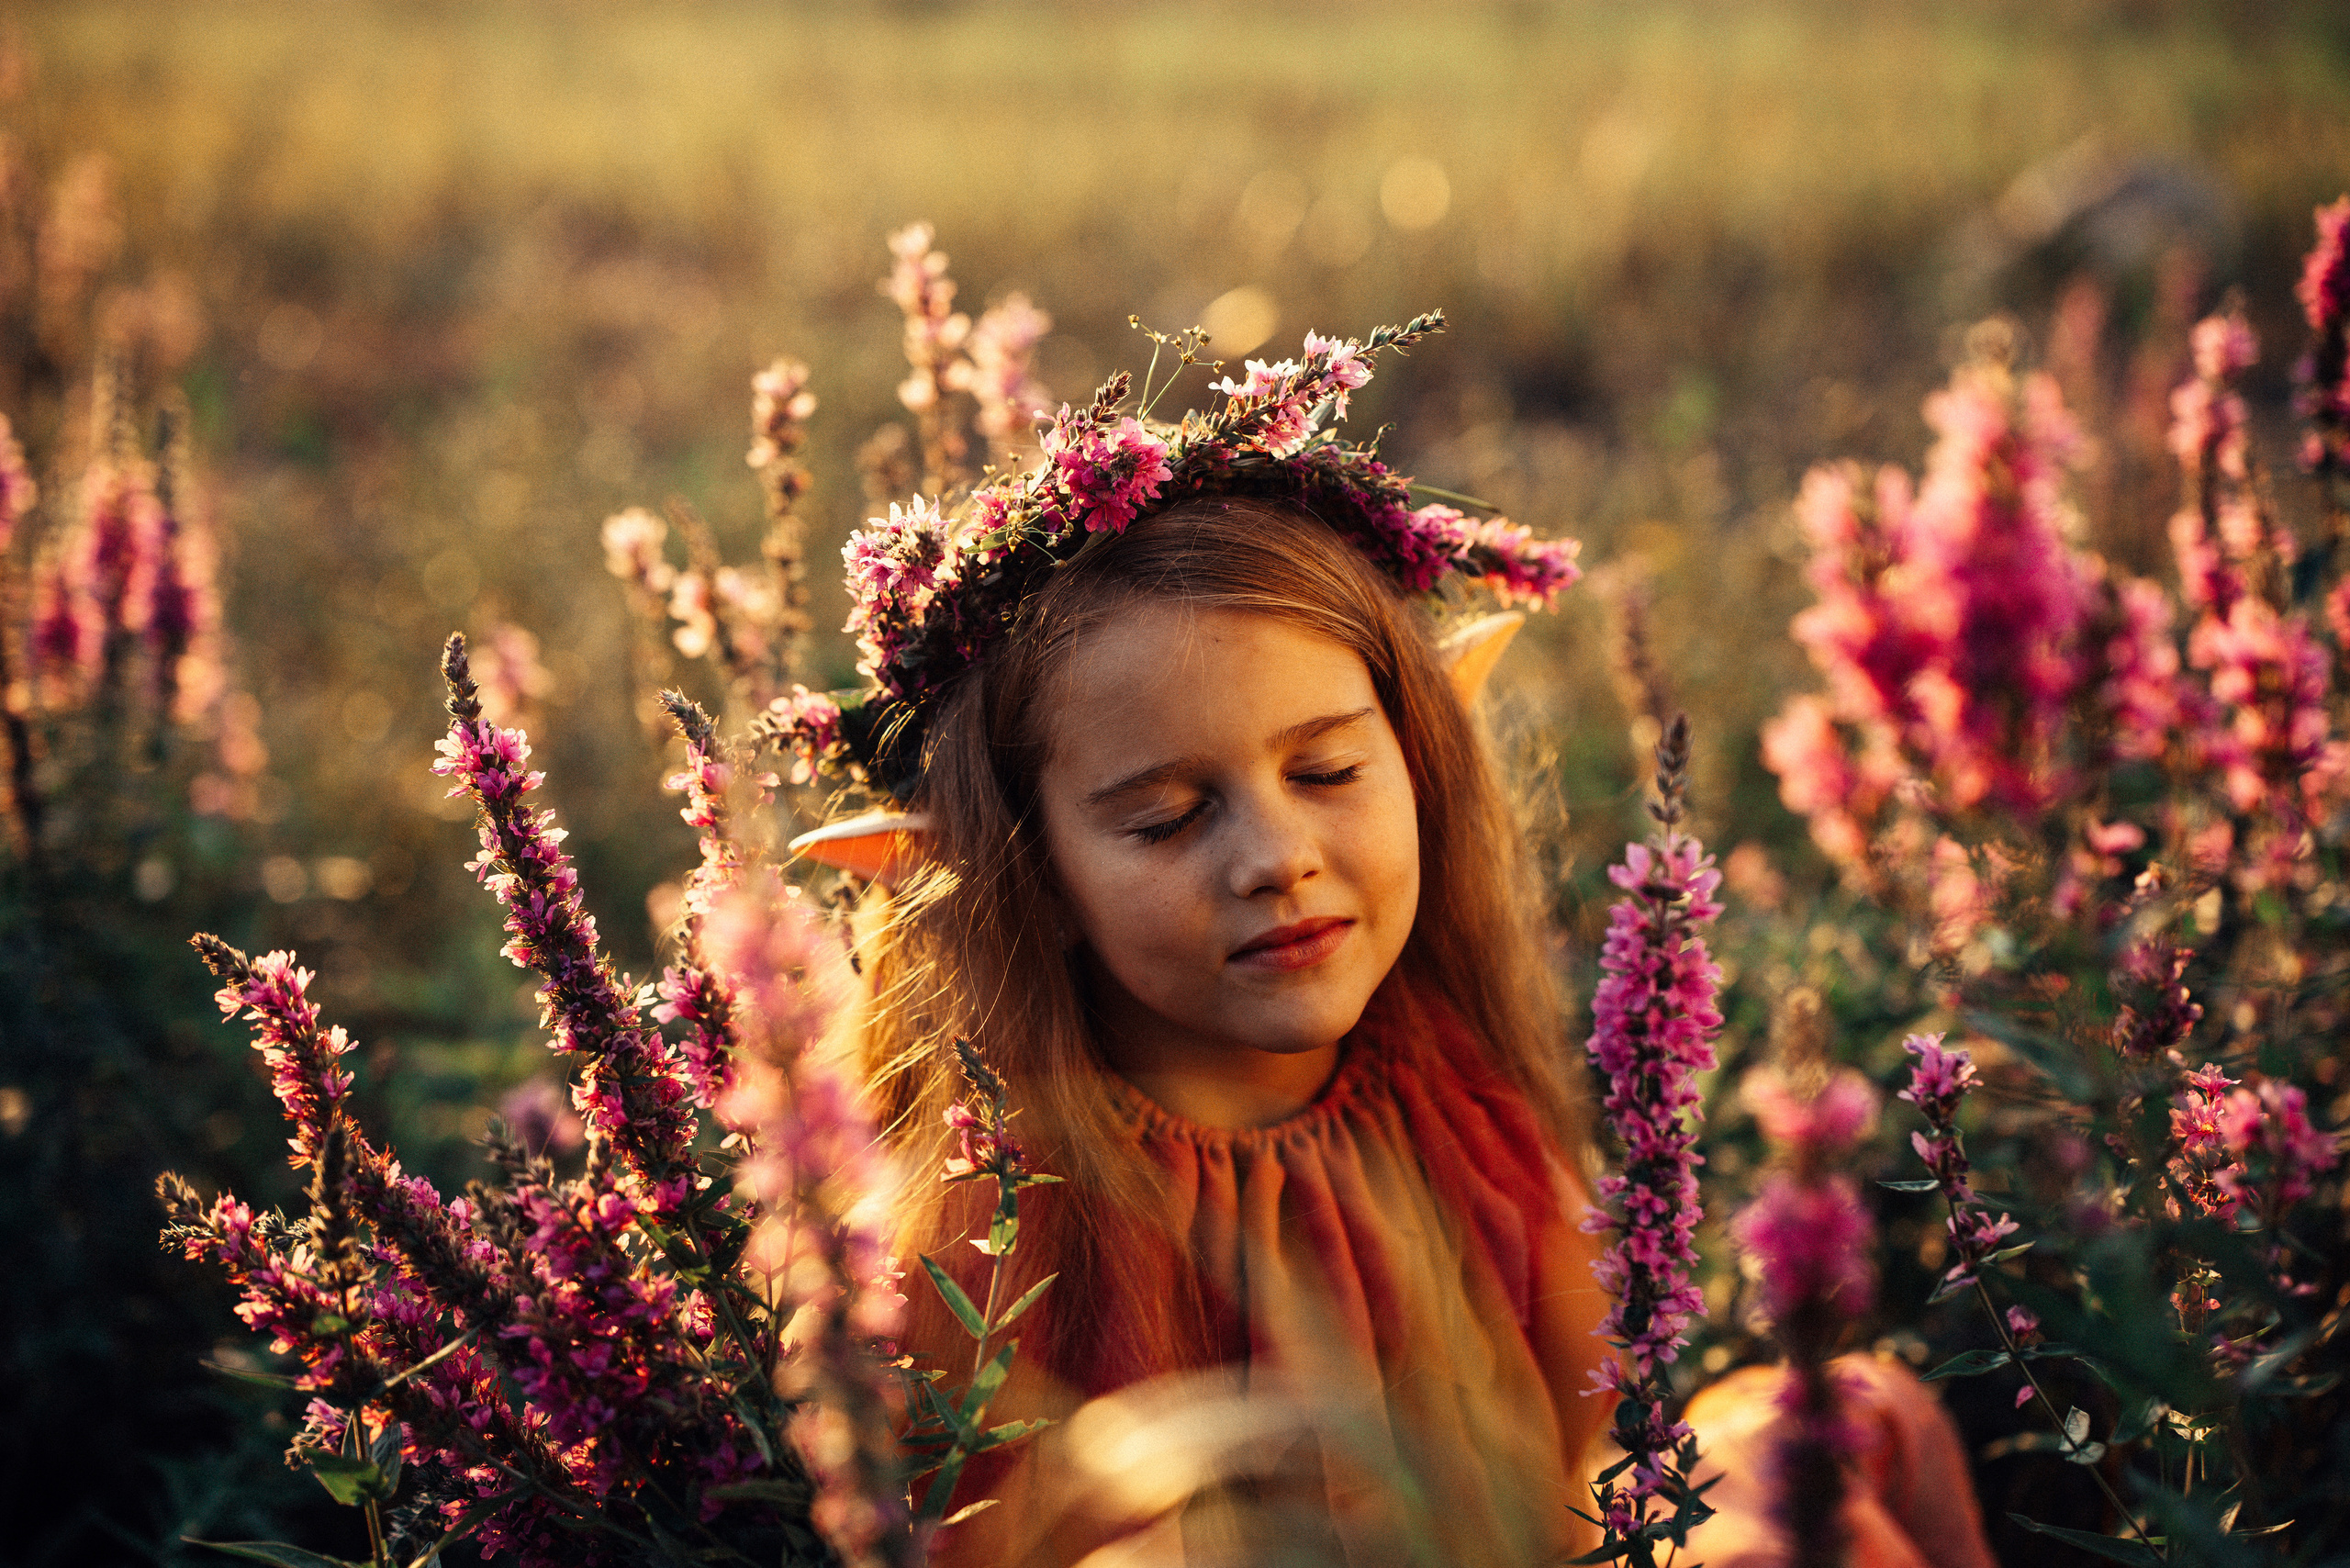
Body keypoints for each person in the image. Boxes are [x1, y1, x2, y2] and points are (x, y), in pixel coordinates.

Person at [768, 325, 1992, 1567]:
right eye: (1167, 817)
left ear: (1419, 758)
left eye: (1330, 768)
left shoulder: (1437, 1078)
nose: (1276, 856)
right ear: (1025, 877)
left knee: (1845, 1437)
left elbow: (1597, 1434)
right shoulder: (1015, 1208)